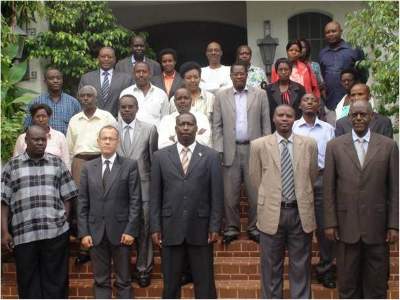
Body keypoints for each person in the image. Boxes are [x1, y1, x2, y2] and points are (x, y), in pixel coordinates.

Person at [323, 100, 398, 298]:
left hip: (377, 227)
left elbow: (394, 189)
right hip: (346, 227)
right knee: (348, 286)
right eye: (354, 115)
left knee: (377, 286)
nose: (358, 118)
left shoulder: (388, 146)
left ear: (371, 117)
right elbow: (329, 188)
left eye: (363, 114)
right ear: (349, 118)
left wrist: (393, 225)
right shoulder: (334, 147)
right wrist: (330, 223)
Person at [150, 112, 223, 298]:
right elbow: (155, 196)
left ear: (196, 129)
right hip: (170, 228)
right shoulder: (160, 157)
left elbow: (216, 194)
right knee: (171, 284)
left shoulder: (211, 156)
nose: (185, 128)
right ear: (175, 129)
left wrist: (215, 226)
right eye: (181, 124)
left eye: (189, 124)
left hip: (201, 228)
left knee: (205, 283)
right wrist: (155, 227)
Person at [249, 105, 318, 298]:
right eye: (280, 115)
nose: (284, 119)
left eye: (289, 116)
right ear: (273, 118)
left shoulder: (309, 144)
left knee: (301, 267)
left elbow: (311, 176)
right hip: (272, 212)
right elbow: (255, 179)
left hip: (300, 213)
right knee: (270, 268)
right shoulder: (258, 145)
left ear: (294, 119)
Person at [1, 125, 78, 299]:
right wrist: (5, 232)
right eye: (36, 139)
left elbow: (69, 195)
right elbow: (3, 202)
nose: (40, 143)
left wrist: (64, 220)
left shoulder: (57, 163)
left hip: (55, 234)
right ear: (26, 141)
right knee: (28, 284)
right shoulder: (12, 166)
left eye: (43, 139)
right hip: (24, 235)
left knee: (56, 283)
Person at [78, 125, 141, 299]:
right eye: (104, 138)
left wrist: (131, 230)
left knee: (124, 280)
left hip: (122, 233)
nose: (107, 141)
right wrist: (84, 232)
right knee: (100, 280)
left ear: (117, 141)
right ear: (98, 142)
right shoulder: (88, 167)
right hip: (95, 233)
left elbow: (135, 201)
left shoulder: (130, 166)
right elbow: (83, 202)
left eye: (111, 138)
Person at [213, 62, 271, 244]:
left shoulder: (260, 94)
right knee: (230, 194)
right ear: (230, 76)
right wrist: (219, 150)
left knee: (255, 194)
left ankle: (255, 227)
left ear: (247, 75)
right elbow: (217, 126)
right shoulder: (221, 96)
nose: (239, 76)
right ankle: (232, 227)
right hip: (230, 150)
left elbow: (266, 123)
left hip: (254, 149)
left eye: (242, 74)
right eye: (235, 74)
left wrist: (266, 148)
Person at [66, 85, 116, 264]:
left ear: (96, 98)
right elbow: (70, 149)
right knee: (81, 203)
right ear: (79, 98)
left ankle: (106, 241)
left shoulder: (106, 117)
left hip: (101, 160)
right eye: (83, 96)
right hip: (80, 162)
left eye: (89, 95)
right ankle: (83, 246)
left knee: (102, 199)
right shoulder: (74, 120)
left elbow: (114, 140)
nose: (86, 98)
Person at [292, 93, 336, 288]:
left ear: (319, 106)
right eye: (306, 100)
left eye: (313, 100)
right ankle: (302, 274)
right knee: (300, 229)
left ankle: (326, 270)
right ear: (300, 105)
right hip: (297, 181)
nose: (309, 102)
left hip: (322, 179)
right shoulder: (291, 128)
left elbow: (334, 158)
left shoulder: (328, 129)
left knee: (324, 228)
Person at [117, 94, 158, 288]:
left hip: (144, 187)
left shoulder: (149, 129)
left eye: (130, 107)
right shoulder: (111, 131)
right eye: (123, 107)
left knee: (144, 228)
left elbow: (153, 162)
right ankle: (123, 270)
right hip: (118, 189)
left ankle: (143, 269)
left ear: (137, 108)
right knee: (121, 228)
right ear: (119, 108)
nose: (126, 110)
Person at [319, 21, 364, 113]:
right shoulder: (322, 53)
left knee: (348, 125)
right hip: (331, 102)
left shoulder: (353, 49)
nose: (330, 34)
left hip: (351, 100)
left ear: (341, 31)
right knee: (334, 126)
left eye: (333, 31)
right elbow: (323, 75)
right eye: (328, 32)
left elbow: (363, 74)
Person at [24, 67, 81, 135]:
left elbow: (79, 127)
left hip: (66, 143)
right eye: (51, 78)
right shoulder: (36, 102)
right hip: (41, 143)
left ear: (62, 80)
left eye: (58, 78)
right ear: (45, 81)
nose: (55, 81)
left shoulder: (73, 103)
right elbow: (27, 128)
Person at [78, 46, 133, 118]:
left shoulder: (126, 79)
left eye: (109, 57)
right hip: (92, 121)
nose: (106, 59)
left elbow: (130, 103)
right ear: (98, 58)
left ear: (115, 59)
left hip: (117, 122)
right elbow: (81, 102)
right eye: (103, 56)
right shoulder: (86, 78)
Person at [14, 103, 70, 169]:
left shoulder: (59, 137)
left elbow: (66, 162)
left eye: (44, 116)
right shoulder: (23, 138)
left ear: (49, 117)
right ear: (33, 118)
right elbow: (16, 161)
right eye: (37, 116)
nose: (41, 119)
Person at [120, 62, 169, 129]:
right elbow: (121, 119)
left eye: (144, 72)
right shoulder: (126, 93)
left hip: (156, 137)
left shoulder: (161, 94)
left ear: (150, 74)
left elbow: (165, 120)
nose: (141, 75)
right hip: (132, 136)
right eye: (138, 72)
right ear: (133, 74)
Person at [267, 57, 306, 129]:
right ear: (276, 71)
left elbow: (303, 110)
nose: (283, 72)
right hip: (275, 128)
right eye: (280, 69)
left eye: (286, 69)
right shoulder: (268, 90)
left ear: (290, 71)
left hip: (295, 128)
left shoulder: (300, 89)